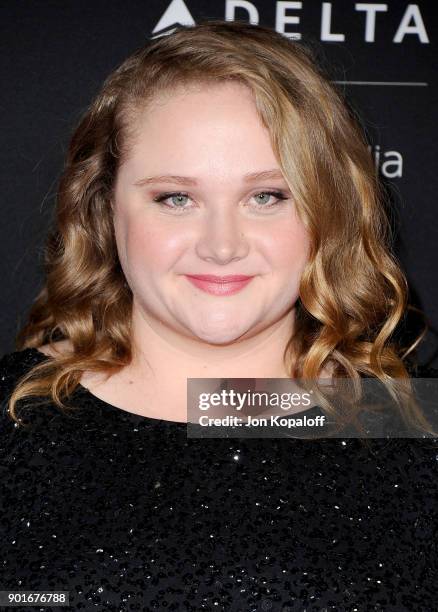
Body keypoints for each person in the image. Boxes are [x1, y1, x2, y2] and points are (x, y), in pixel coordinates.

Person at [1, 19, 437, 610]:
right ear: (103, 206)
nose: (222, 244)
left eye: (267, 196)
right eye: (176, 198)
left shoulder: (411, 433)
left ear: (327, 207)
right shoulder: (13, 418)